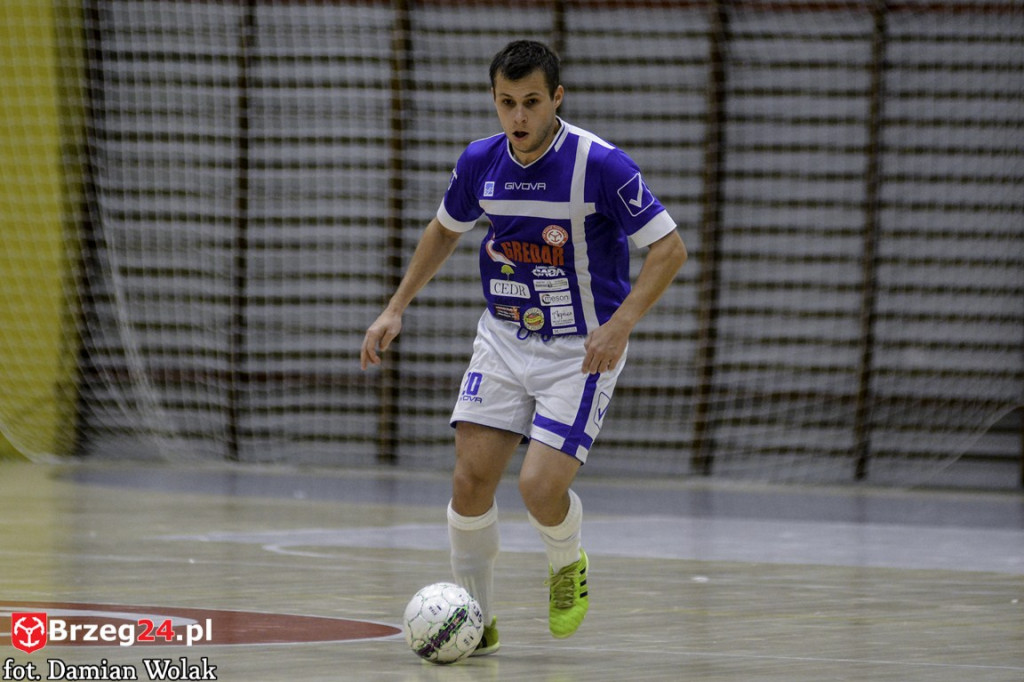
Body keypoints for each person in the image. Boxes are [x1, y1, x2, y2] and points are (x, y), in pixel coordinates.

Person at [361, 39, 687, 655]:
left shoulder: (601, 165)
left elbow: (669, 250)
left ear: (556, 98)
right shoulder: (481, 162)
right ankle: (474, 622)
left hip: (580, 350)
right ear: (493, 99)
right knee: (469, 480)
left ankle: (567, 564)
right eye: (507, 103)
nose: (518, 117)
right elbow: (443, 230)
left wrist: (620, 326)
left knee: (538, 488)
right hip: (504, 339)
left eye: (531, 102)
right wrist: (395, 307)